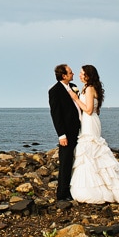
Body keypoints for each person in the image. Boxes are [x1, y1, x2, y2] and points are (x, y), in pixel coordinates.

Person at [67, 64, 119, 203]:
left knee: (91, 150)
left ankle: (100, 189)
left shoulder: (90, 89)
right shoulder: (87, 88)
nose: (79, 75)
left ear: (88, 76)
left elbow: (89, 110)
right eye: (79, 72)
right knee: (89, 152)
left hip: (90, 121)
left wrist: (75, 98)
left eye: (82, 73)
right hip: (87, 121)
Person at [48, 64, 81, 202]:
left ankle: (76, 188)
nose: (73, 74)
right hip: (67, 132)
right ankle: (62, 193)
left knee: (77, 159)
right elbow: (56, 114)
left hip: (79, 129)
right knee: (65, 162)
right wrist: (61, 135)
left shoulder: (72, 86)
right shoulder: (54, 91)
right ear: (64, 75)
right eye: (70, 72)